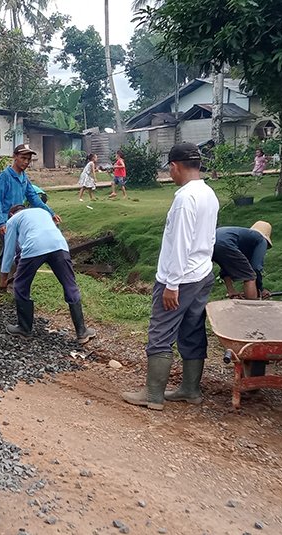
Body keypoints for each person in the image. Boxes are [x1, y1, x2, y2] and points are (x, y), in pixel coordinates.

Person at [121, 142, 219, 411]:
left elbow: (180, 244)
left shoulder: (185, 198)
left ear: (175, 166)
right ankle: (190, 389)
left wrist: (171, 284)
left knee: (161, 332)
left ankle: (153, 395)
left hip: (180, 278)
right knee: (192, 330)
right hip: (201, 274)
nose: (170, 174)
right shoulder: (209, 193)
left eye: (170, 170)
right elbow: (208, 238)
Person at [0, 205, 97, 343]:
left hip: (34, 246)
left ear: (11, 214)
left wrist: (3, 280)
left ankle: (24, 329)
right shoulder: (42, 212)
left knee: (20, 286)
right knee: (70, 285)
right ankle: (82, 331)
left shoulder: (12, 220)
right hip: (59, 245)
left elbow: (9, 253)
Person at [0, 144, 61, 268]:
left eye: (28, 159)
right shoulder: (5, 176)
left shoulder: (24, 177)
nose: (26, 162)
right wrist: (0, 223)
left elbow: (34, 198)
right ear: (15, 157)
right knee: (14, 253)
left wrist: (50, 213)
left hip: (19, 220)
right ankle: (10, 282)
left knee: (14, 252)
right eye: (23, 158)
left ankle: (9, 281)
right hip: (6, 221)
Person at [212, 222, 272, 300]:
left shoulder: (244, 239)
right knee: (250, 277)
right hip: (225, 242)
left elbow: (226, 267)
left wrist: (231, 290)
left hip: (211, 240)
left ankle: (232, 293)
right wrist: (260, 289)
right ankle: (251, 306)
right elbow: (256, 268)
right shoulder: (261, 239)